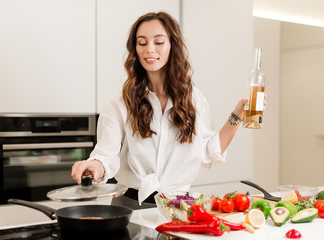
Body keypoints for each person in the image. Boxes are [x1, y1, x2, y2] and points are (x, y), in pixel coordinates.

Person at [71, 11, 265, 207]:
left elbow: (208, 153)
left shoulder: (195, 100)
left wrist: (238, 114)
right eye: (142, 42)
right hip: (131, 206)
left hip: (180, 208)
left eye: (159, 42)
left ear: (172, 45)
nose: (149, 49)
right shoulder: (119, 104)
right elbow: (105, 156)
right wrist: (93, 166)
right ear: (135, 49)